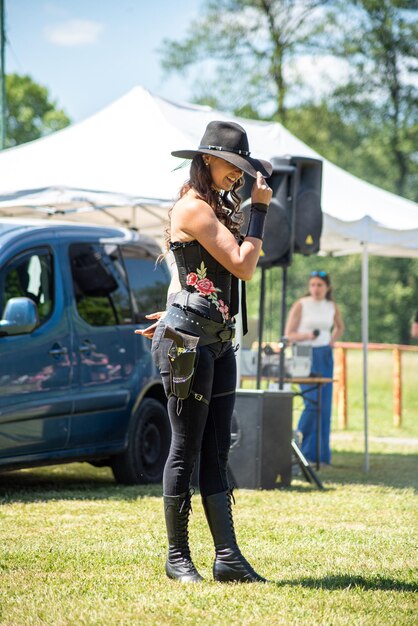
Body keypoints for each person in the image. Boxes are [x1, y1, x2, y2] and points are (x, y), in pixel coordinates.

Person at [136, 120, 272, 583]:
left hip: (215, 339)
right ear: (207, 160)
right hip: (189, 341)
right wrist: (259, 212)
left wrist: (172, 306)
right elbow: (243, 265)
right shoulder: (193, 208)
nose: (237, 175)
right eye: (232, 166)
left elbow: (188, 276)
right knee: (184, 451)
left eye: (243, 169)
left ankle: (227, 557)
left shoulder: (212, 208)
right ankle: (178, 559)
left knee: (215, 452)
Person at [284, 271, 344, 465]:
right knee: (311, 403)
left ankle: (319, 456)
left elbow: (339, 327)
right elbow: (289, 334)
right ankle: (297, 447)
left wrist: (331, 341)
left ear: (327, 287)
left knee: (324, 406)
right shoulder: (301, 305)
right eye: (313, 285)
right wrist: (307, 335)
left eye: (319, 285)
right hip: (304, 353)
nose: (316, 289)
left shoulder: (331, 306)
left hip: (324, 355)